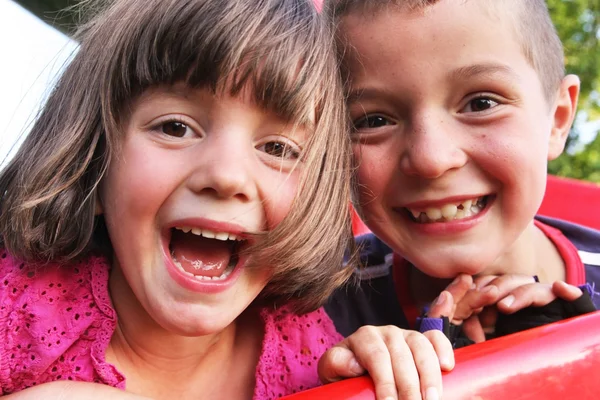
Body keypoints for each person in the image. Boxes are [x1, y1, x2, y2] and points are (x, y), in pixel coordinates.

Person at [0, 0, 453, 398]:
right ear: (94, 160)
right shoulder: (15, 311)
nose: (226, 176)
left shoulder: (318, 360)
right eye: (175, 127)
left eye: (278, 149)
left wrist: (391, 364)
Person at [322, 0, 599, 348]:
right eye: (373, 121)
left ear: (557, 119)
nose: (431, 159)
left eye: (481, 103)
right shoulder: (307, 312)